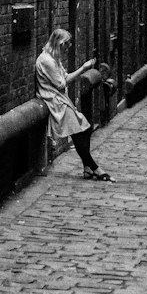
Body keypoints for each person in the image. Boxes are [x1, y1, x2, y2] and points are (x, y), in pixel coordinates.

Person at [35, 28, 112, 180]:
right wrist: (83, 69)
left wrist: (82, 68)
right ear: (60, 43)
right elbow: (62, 84)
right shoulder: (46, 60)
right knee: (79, 131)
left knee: (85, 128)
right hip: (53, 100)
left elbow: (65, 77)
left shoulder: (53, 58)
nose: (68, 48)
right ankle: (94, 168)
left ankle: (88, 168)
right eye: (67, 44)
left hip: (60, 99)